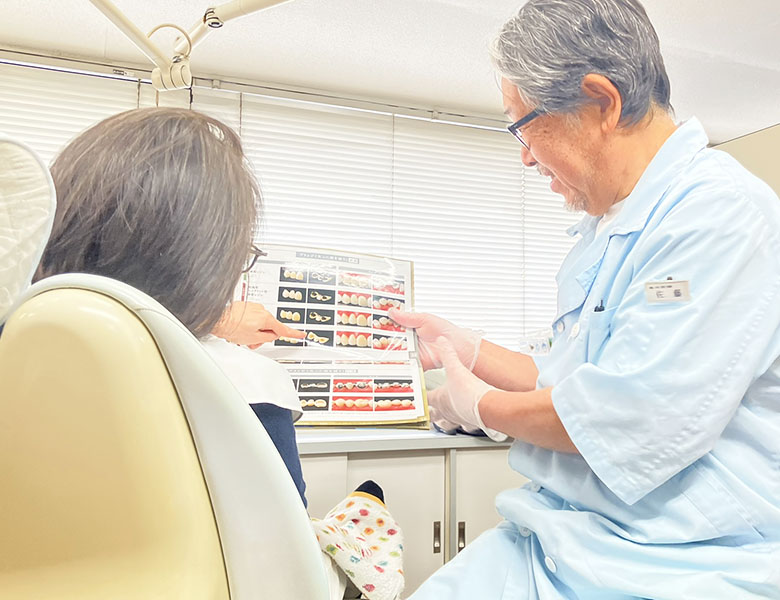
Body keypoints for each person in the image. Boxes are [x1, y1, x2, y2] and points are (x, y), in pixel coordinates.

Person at [393, 0, 780, 598]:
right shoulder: (611, 226)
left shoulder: (720, 215)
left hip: (680, 558)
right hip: (567, 534)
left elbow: (632, 417)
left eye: (522, 124)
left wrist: (482, 406)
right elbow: (574, 379)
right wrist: (466, 348)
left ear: (601, 102)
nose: (523, 154)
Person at [33, 107, 404, 600]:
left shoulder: (22, 337)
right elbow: (284, 552)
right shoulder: (247, 378)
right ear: (206, 261)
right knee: (364, 511)